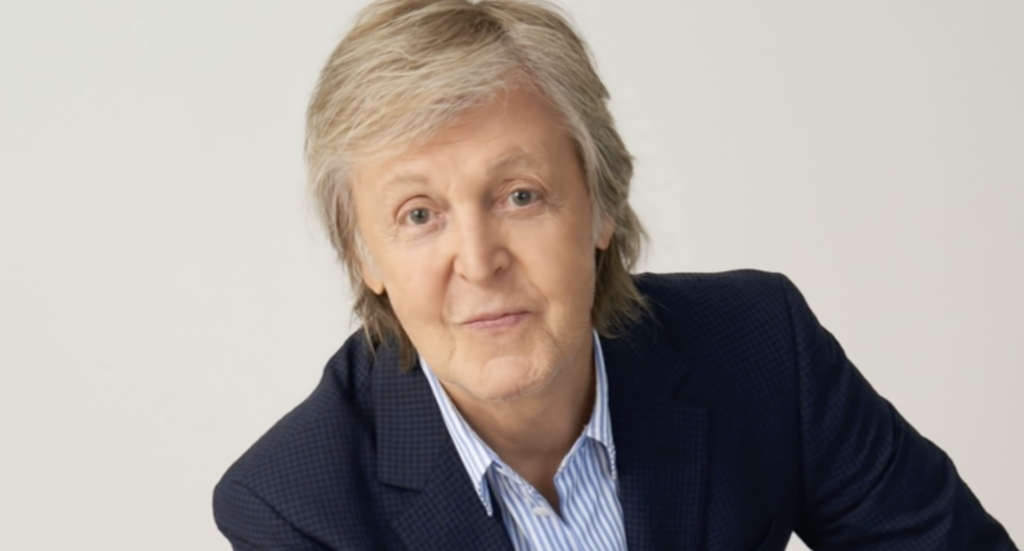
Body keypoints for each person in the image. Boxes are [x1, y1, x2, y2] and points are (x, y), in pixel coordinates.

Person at [212, 1, 1018, 549]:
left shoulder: (764, 348)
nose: (480, 258)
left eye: (520, 195)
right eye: (419, 214)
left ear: (600, 206)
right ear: (365, 255)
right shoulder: (298, 506)